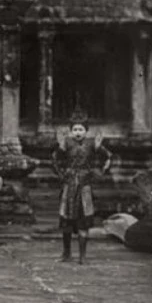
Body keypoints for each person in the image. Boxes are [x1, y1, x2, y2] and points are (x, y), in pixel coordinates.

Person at [51, 108, 112, 265]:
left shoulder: (92, 145)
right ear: (71, 131)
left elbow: (107, 157)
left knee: (84, 220)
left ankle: (82, 256)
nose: (78, 132)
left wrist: (98, 172)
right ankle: (66, 253)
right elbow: (55, 159)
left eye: (81, 129)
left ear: (86, 131)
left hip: (85, 187)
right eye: (75, 129)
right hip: (69, 186)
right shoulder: (67, 144)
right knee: (66, 221)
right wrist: (61, 173)